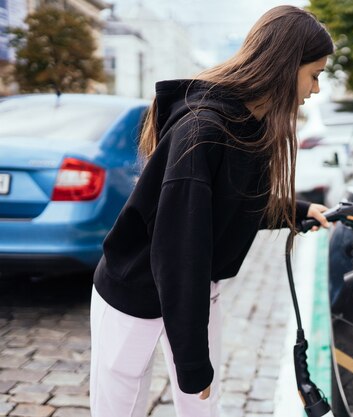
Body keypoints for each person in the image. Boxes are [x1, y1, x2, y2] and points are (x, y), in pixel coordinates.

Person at [89, 5, 333, 417]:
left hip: (196, 290)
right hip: (135, 292)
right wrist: (192, 364)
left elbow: (235, 203)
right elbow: (179, 251)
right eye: (315, 74)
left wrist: (299, 210)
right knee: (119, 410)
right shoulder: (202, 132)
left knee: (203, 407)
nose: (316, 89)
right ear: (284, 67)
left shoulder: (250, 126)